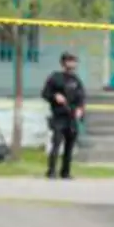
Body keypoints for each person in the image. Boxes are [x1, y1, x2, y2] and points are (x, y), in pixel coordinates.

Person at [41, 51, 86, 179]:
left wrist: (80, 109)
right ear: (64, 63)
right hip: (59, 116)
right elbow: (45, 93)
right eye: (70, 60)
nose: (72, 63)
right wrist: (55, 96)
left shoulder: (76, 80)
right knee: (56, 143)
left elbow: (81, 98)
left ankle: (65, 172)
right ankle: (51, 171)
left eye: (74, 61)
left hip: (72, 118)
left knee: (69, 146)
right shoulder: (55, 77)